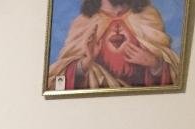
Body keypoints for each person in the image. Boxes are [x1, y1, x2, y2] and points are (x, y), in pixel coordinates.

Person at [48, 0, 182, 91]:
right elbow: (57, 81)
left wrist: (155, 64)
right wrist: (86, 63)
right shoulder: (83, 23)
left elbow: (176, 75)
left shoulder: (148, 17)